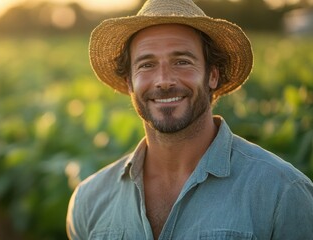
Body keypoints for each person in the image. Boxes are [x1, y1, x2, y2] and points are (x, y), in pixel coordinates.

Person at [66, 0, 313, 239]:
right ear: (130, 82)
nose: (164, 79)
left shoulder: (282, 192)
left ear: (212, 76)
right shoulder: (89, 201)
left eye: (182, 62)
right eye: (147, 64)